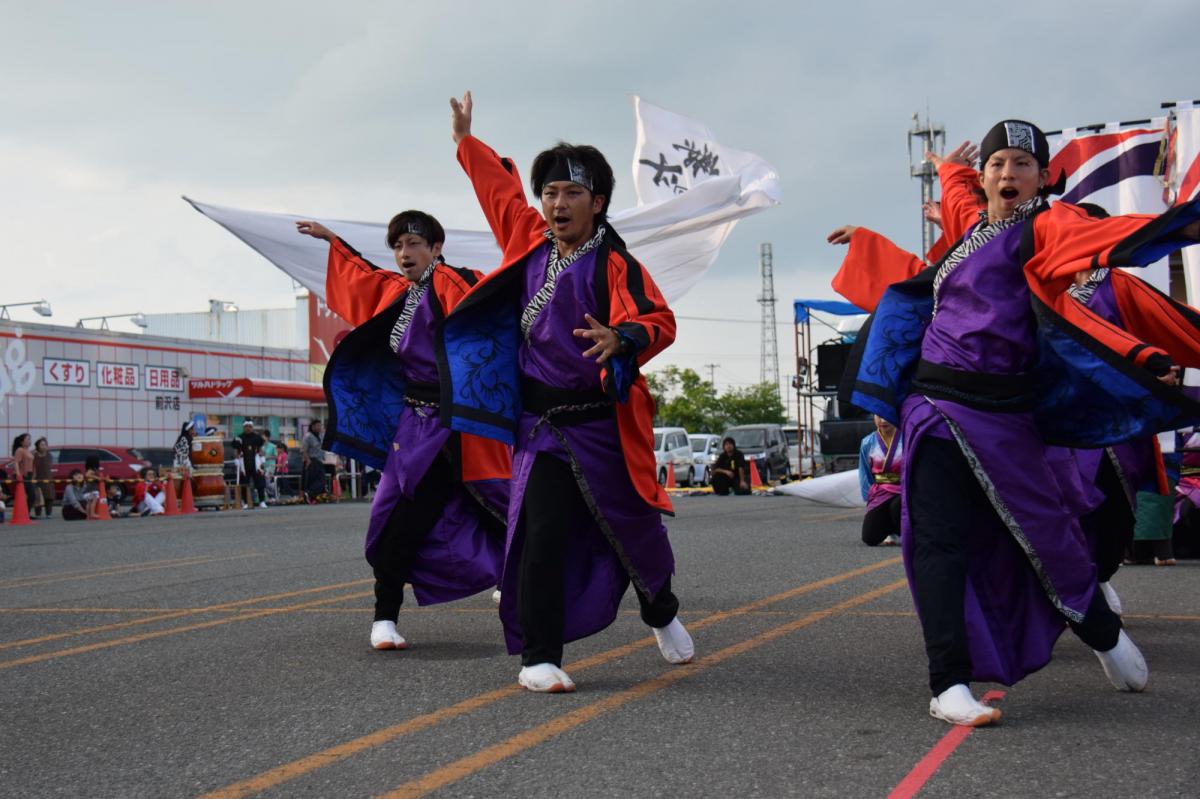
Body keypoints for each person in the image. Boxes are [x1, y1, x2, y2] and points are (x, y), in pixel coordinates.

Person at [833, 119, 1200, 727]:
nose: (1008, 173)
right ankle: (947, 682)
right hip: (934, 405)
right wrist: (946, 171)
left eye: (1022, 165)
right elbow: (953, 207)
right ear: (986, 178)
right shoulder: (970, 231)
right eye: (997, 164)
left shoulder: (1049, 226)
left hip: (1016, 417)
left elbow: (1109, 238)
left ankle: (1103, 630)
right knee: (936, 541)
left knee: (1056, 535)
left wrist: (1179, 225)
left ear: (1045, 177)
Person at [443, 91, 693, 693]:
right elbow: (500, 195)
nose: (556, 202)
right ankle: (540, 657)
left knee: (636, 536)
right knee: (541, 534)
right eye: (549, 192)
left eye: (571, 193)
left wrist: (621, 337)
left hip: (601, 424)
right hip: (541, 429)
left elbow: (659, 320)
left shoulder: (614, 263)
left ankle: (660, 610)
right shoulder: (529, 242)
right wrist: (465, 142)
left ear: (597, 202)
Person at [297, 209, 508, 652]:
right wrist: (333, 240)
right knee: (394, 517)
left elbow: (487, 312)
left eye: (414, 243)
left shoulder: (452, 282)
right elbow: (362, 276)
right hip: (415, 426)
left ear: (436, 248)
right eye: (397, 245)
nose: (404, 252)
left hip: (461, 427)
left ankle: (519, 583)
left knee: (497, 505)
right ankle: (386, 618)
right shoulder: (400, 293)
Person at [858, 416, 903, 546]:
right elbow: (865, 473)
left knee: (897, 506)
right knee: (870, 538)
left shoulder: (907, 439)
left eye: (887, 415)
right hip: (881, 492)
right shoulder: (867, 442)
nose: (883, 421)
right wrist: (869, 497)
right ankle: (890, 529)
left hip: (905, 490)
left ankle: (904, 533)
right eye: (878, 416)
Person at [239, 420, 267, 509]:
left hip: (256, 461)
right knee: (244, 483)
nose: (248, 428)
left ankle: (262, 501)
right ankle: (245, 502)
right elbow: (236, 449)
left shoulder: (257, 437)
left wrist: (262, 459)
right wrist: (236, 459)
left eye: (250, 426)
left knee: (260, 482)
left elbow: (261, 448)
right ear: (244, 427)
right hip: (244, 462)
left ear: (252, 427)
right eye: (246, 426)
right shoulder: (239, 437)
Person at [301, 420, 325, 503]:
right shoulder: (308, 436)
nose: (319, 427)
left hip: (320, 460)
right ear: (313, 426)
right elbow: (304, 450)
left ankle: (310, 495)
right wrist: (307, 460)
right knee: (318, 480)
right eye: (317, 426)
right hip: (312, 460)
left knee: (320, 480)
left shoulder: (320, 436)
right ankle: (309, 494)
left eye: (320, 425)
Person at [11, 433, 35, 519]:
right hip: (22, 475)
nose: (29, 441)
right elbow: (16, 462)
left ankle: (26, 514)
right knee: (27, 495)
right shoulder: (20, 450)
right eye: (28, 439)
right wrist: (18, 475)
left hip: (29, 475)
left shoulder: (28, 451)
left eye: (30, 439)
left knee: (32, 495)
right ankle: (24, 514)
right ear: (22, 442)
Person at [32, 437, 52, 518]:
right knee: (38, 496)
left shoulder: (49, 455)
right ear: (38, 446)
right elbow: (33, 468)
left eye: (45, 444)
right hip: (38, 478)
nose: (44, 446)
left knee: (49, 496)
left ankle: (48, 513)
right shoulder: (34, 456)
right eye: (42, 444)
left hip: (48, 478)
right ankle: (38, 514)